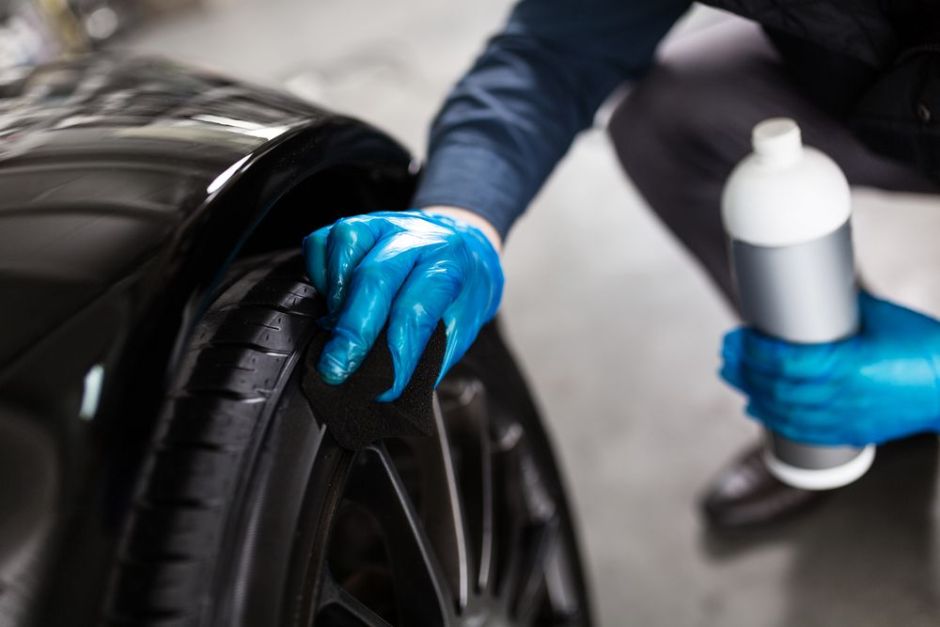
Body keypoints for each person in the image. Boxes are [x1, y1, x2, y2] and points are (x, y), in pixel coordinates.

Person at [303, 0, 940, 530]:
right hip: (891, 101)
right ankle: (833, 406)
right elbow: (552, 53)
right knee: (668, 118)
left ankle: (899, 396)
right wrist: (460, 214)